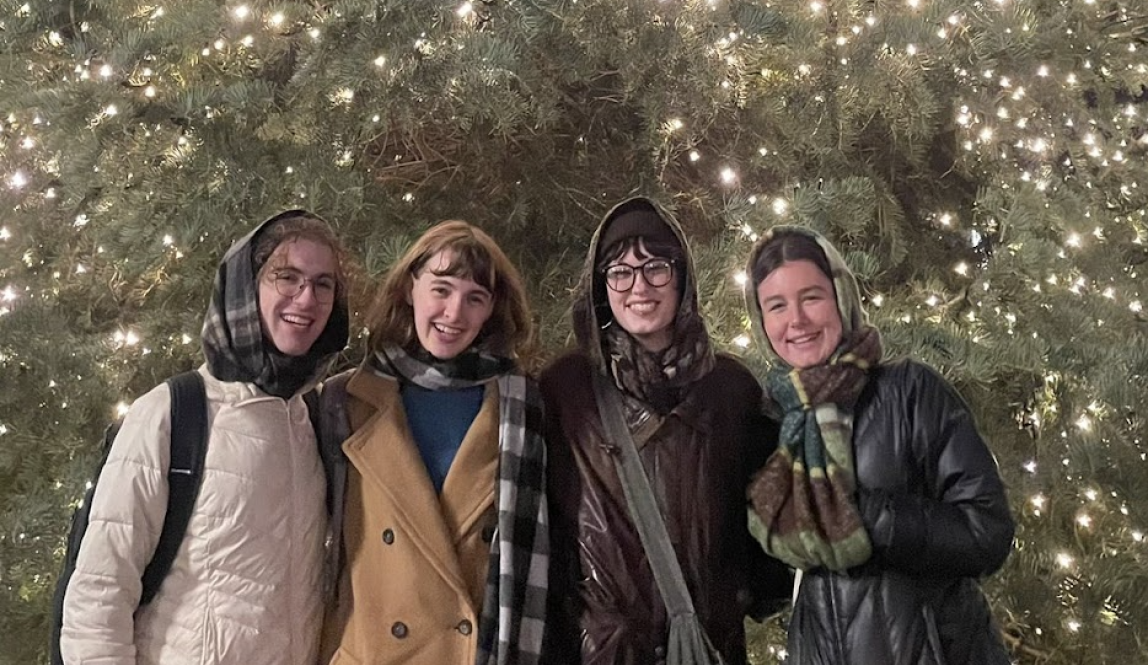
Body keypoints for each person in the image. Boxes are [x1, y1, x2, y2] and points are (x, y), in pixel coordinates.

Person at [60, 209, 351, 664]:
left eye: (323, 284)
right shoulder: (174, 413)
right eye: (286, 277)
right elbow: (100, 589)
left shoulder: (312, 420)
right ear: (247, 286)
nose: (306, 298)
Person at [744, 225, 1015, 665]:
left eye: (811, 297)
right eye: (776, 306)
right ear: (762, 320)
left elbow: (988, 531)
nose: (796, 320)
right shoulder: (777, 419)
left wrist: (866, 517)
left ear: (841, 297)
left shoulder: (908, 392)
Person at [541, 197, 789, 665]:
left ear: (682, 277)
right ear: (601, 286)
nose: (639, 286)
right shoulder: (565, 390)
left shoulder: (731, 390)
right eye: (620, 271)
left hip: (708, 648)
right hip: (599, 655)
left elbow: (764, 545)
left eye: (655, 267)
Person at [318, 220, 548, 665]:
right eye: (441, 289)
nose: (454, 313)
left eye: (474, 298)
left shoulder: (522, 407)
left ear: (491, 311)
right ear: (410, 288)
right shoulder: (344, 401)